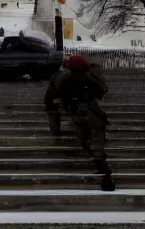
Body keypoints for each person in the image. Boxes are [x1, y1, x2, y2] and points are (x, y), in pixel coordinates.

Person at [44, 55, 115, 191]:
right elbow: (102, 90)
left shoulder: (64, 78)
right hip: (92, 115)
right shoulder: (89, 77)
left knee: (88, 143)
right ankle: (104, 173)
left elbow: (53, 94)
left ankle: (104, 173)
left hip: (79, 115)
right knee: (95, 146)